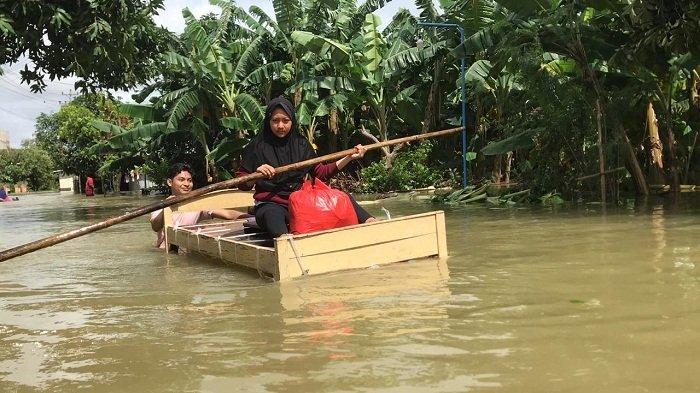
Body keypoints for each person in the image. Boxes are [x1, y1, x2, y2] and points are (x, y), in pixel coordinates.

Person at [236, 96, 374, 238]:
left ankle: (372, 223)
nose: (281, 126)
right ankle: (286, 241)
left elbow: (321, 173)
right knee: (272, 214)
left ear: (292, 121)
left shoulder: (301, 144)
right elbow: (242, 183)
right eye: (275, 121)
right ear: (268, 122)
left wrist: (350, 157)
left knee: (343, 197)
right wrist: (256, 175)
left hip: (301, 203)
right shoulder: (256, 147)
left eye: (286, 121)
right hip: (271, 204)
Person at [149, 163, 248, 249]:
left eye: (189, 180)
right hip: (164, 252)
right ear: (170, 182)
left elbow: (227, 214)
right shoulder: (161, 205)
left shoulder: (198, 204)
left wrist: (252, 218)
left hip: (187, 249)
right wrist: (167, 206)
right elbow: (155, 226)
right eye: (181, 180)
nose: (186, 184)